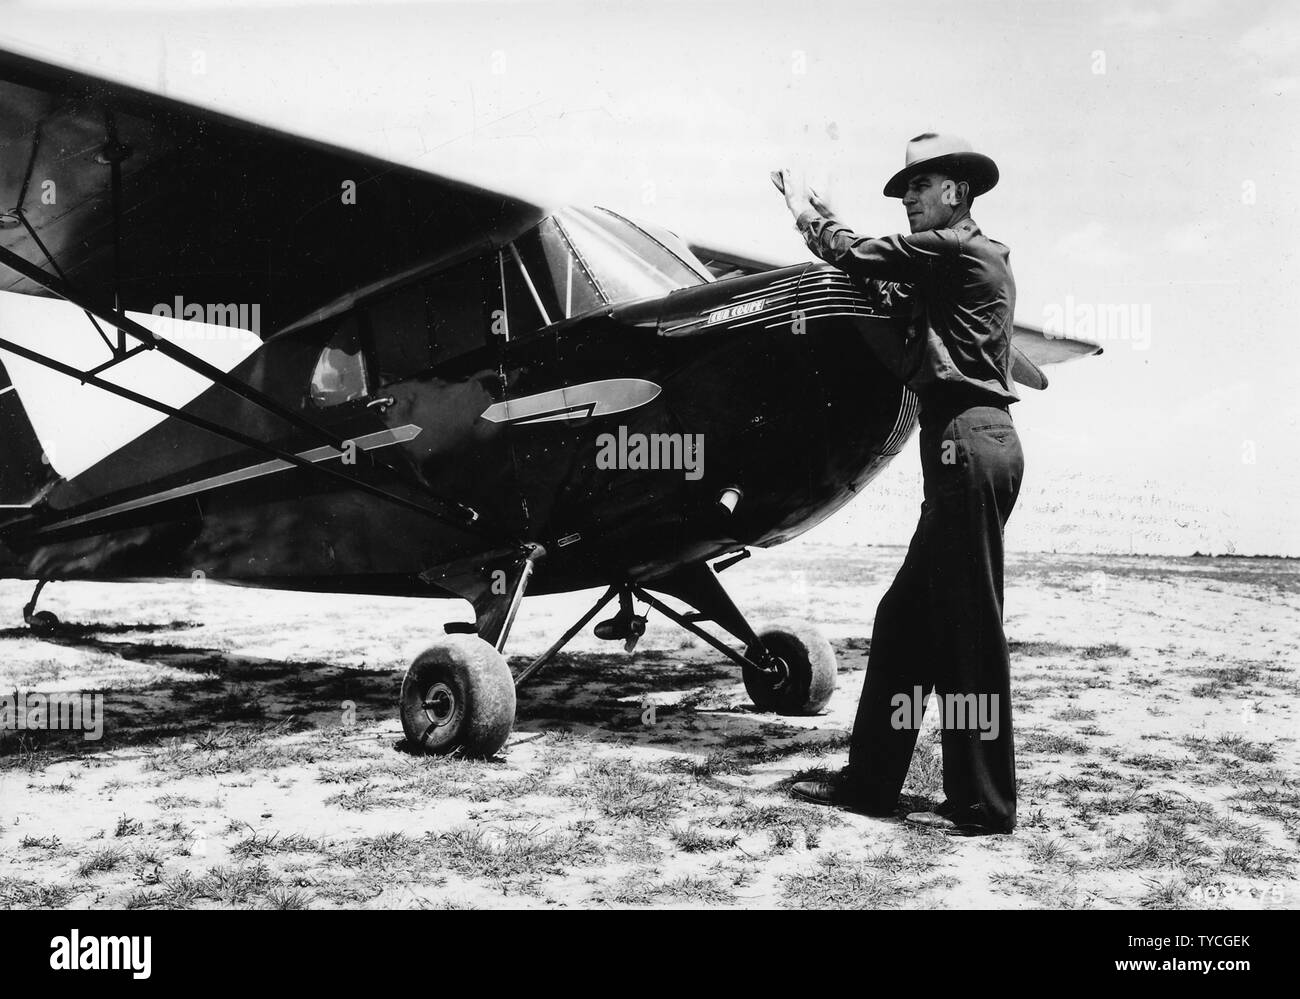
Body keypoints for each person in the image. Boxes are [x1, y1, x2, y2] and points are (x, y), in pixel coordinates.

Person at [777, 132, 1025, 836]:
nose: (909, 199)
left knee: (970, 631)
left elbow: (855, 254)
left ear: (956, 192)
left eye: (918, 187)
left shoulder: (954, 250)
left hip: (965, 446)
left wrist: (802, 209)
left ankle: (984, 804)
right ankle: (872, 785)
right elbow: (885, 279)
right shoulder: (963, 259)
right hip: (969, 447)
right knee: (905, 623)